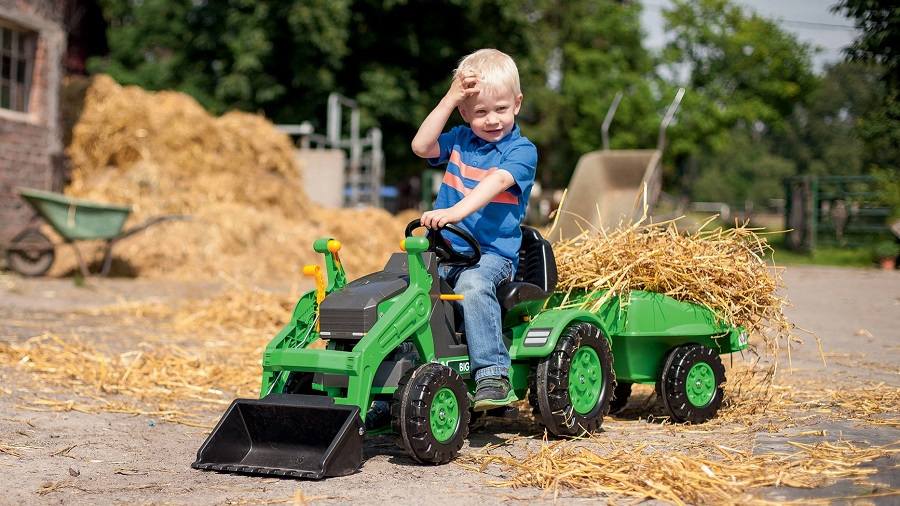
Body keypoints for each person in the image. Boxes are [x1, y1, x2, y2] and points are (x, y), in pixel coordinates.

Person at [411, 48, 538, 411]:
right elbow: (421, 146)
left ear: (517, 104)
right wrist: (450, 98)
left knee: (472, 285)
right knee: (403, 290)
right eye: (480, 112)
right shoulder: (460, 140)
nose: (492, 119)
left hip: (491, 257)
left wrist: (453, 211)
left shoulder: (522, 151)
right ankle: (399, 375)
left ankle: (492, 373)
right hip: (445, 252)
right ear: (466, 113)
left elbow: (494, 183)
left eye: (500, 109)